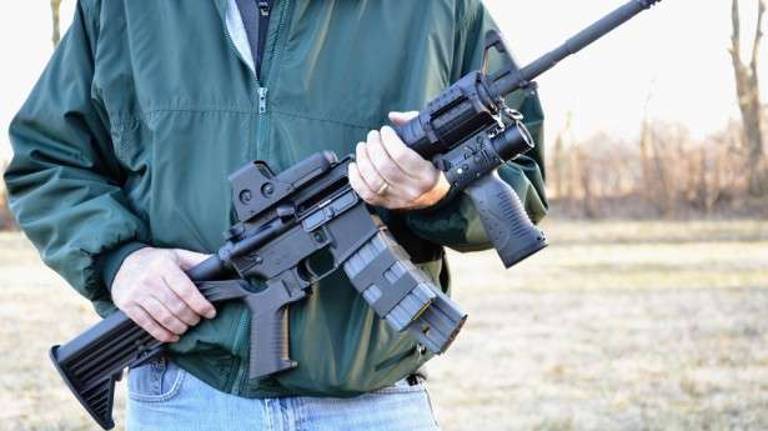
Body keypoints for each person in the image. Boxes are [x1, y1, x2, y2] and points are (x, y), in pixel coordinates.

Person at [5, 0, 547, 429]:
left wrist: (437, 191)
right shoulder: (122, 7)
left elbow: (523, 186)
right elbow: (47, 160)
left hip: (375, 404)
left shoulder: (441, 9)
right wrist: (120, 260)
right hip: (188, 397)